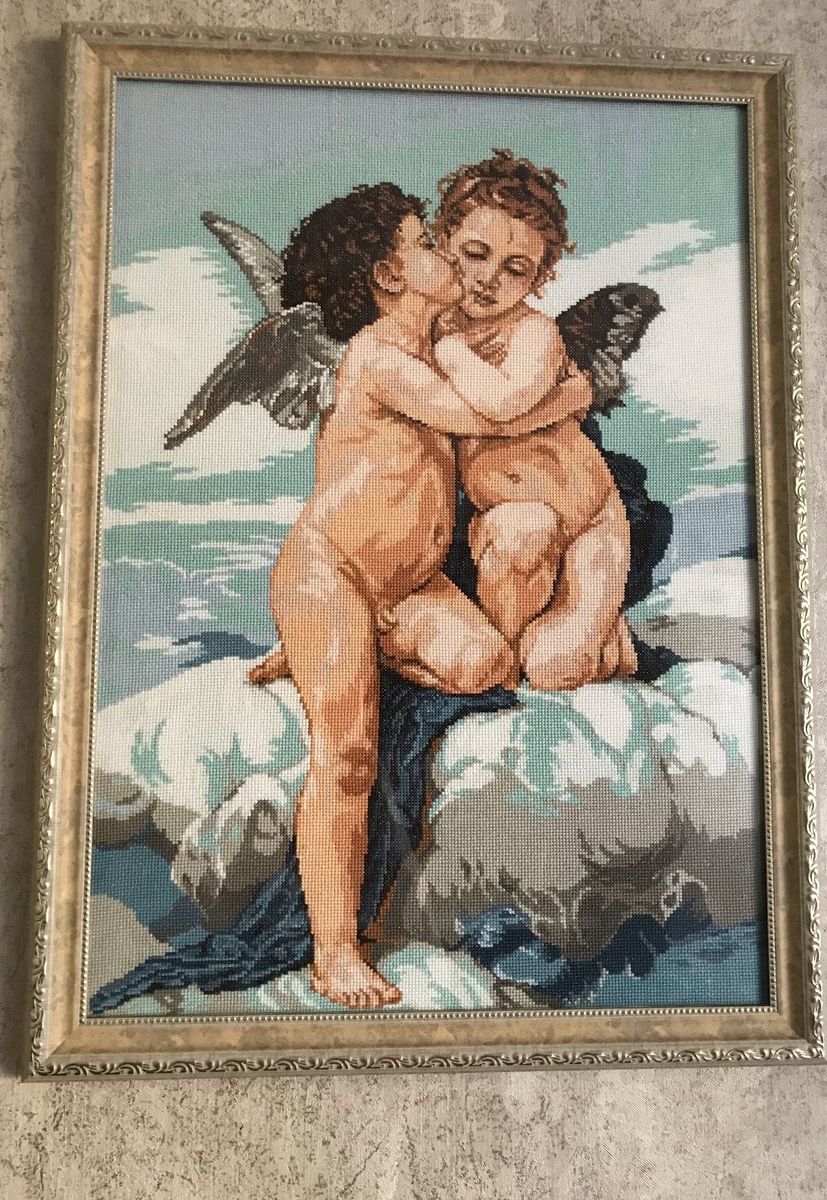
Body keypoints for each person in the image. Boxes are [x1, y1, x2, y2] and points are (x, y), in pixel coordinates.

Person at [264, 183, 596, 1008]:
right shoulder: (380, 355)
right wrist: (571, 396)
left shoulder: (442, 338)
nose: (445, 253)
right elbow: (482, 420)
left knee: (485, 666)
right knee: (348, 758)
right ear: (388, 276)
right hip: (333, 574)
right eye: (425, 244)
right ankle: (335, 951)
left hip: (409, 585)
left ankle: (334, 651)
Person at [434, 149, 638, 689]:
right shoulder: (417, 327)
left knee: (557, 668)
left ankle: (605, 638)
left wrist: (450, 352)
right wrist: (569, 398)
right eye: (475, 254)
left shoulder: (533, 334)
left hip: (589, 524)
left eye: (515, 269)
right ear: (443, 241)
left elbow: (504, 403)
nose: (488, 278)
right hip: (511, 529)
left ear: (540, 278)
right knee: (523, 531)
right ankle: (507, 663)